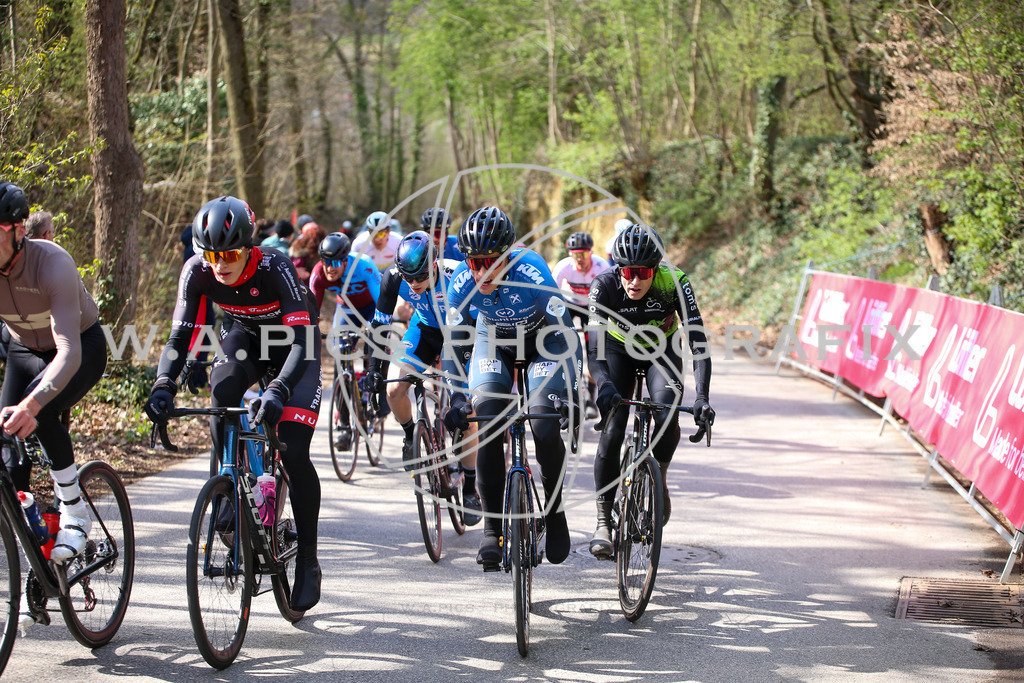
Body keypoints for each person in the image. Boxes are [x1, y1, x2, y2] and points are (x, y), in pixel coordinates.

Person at [145, 196, 324, 612]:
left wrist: (279, 390)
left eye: (228, 253)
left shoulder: (274, 266)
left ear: (248, 246)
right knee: (222, 396)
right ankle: (229, 487)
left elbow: (301, 341)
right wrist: (163, 384)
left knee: (293, 448)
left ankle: (309, 563)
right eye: (210, 254)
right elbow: (181, 336)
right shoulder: (197, 271)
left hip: (293, 348)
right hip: (245, 340)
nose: (219, 263)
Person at [444, 206, 581, 568]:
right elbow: (455, 343)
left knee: (543, 423)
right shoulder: (461, 280)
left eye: (491, 262)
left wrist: (571, 393)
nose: (481, 272)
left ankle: (554, 510)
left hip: (544, 342)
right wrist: (457, 393)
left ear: (507, 256)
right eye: (474, 262)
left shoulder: (532, 272)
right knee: (487, 420)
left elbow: (566, 336)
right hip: (495, 341)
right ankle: (492, 529)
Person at [0, 182, 108, 634]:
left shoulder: (53, 264)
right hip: (23, 351)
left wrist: (33, 401)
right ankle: (35, 559)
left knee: (36, 414)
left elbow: (68, 354)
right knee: (9, 459)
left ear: (17, 229)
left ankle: (74, 508)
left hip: (79, 348)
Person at [586, 223, 715, 559]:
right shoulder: (604, 285)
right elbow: (595, 347)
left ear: (655, 269)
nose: (634, 280)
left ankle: (660, 473)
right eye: (627, 271)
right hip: (617, 349)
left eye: (643, 272)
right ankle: (603, 519)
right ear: (618, 268)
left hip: (662, 348)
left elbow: (698, 340)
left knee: (667, 411)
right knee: (614, 425)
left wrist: (702, 396)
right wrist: (603, 385)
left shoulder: (674, 281)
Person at [363, 231, 481, 524]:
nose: (414, 284)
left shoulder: (458, 274)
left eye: (421, 276)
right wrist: (373, 372)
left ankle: (470, 485)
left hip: (462, 333)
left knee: (465, 413)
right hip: (425, 329)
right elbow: (379, 328)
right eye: (409, 278)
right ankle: (409, 436)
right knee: (393, 390)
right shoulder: (392, 278)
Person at [308, 231, 386, 436]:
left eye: (336, 262)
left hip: (371, 308)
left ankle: (379, 396)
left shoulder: (363, 265)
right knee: (340, 357)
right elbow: (310, 313)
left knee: (376, 346)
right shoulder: (318, 274)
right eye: (326, 261)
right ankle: (343, 422)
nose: (330, 268)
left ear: (346, 260)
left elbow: (381, 303)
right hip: (347, 310)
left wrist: (377, 329)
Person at [551, 232, 611, 417]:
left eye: (584, 255)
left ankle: (591, 399)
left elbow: (609, 295)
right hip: (569, 303)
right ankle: (563, 390)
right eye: (576, 255)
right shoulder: (564, 267)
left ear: (591, 253)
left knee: (596, 349)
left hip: (592, 306)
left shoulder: (602, 266)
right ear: (570, 254)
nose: (580, 259)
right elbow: (551, 294)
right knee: (558, 342)